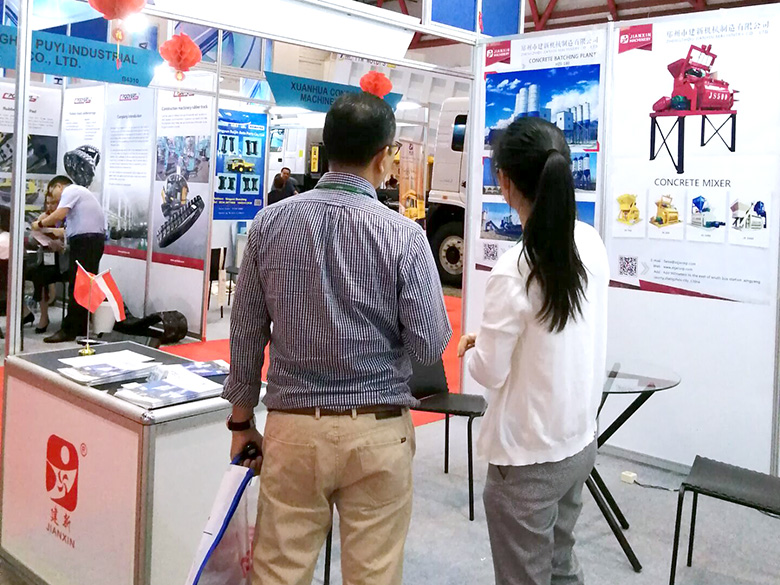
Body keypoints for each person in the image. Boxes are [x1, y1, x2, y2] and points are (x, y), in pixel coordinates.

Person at [224, 91, 451, 585]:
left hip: (293, 431)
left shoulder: (269, 223)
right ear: (384, 156)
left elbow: (245, 335)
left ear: (326, 148)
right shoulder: (405, 236)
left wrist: (241, 423)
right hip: (378, 430)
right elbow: (429, 344)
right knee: (374, 575)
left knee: (277, 572)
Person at [458, 117, 609, 585]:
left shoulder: (514, 270)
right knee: (561, 564)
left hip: (527, 460)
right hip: (579, 441)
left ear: (504, 182)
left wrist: (472, 349)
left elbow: (489, 372)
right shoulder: (590, 242)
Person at [33, 175, 106, 343]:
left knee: (79, 286)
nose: (54, 198)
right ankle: (79, 327)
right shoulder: (79, 197)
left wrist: (40, 224)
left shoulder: (71, 190)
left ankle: (69, 330)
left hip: (87, 242)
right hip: (87, 242)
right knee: (82, 286)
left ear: (59, 186)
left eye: (52, 191)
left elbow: (58, 216)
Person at [28, 187, 66, 333]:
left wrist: (61, 246)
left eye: (53, 203)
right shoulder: (43, 218)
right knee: (28, 271)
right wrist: (39, 227)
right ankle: (31, 312)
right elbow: (31, 240)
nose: (50, 207)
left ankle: (43, 314)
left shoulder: (66, 219)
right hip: (44, 259)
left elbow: (73, 244)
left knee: (40, 275)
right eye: (48, 203)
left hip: (62, 263)